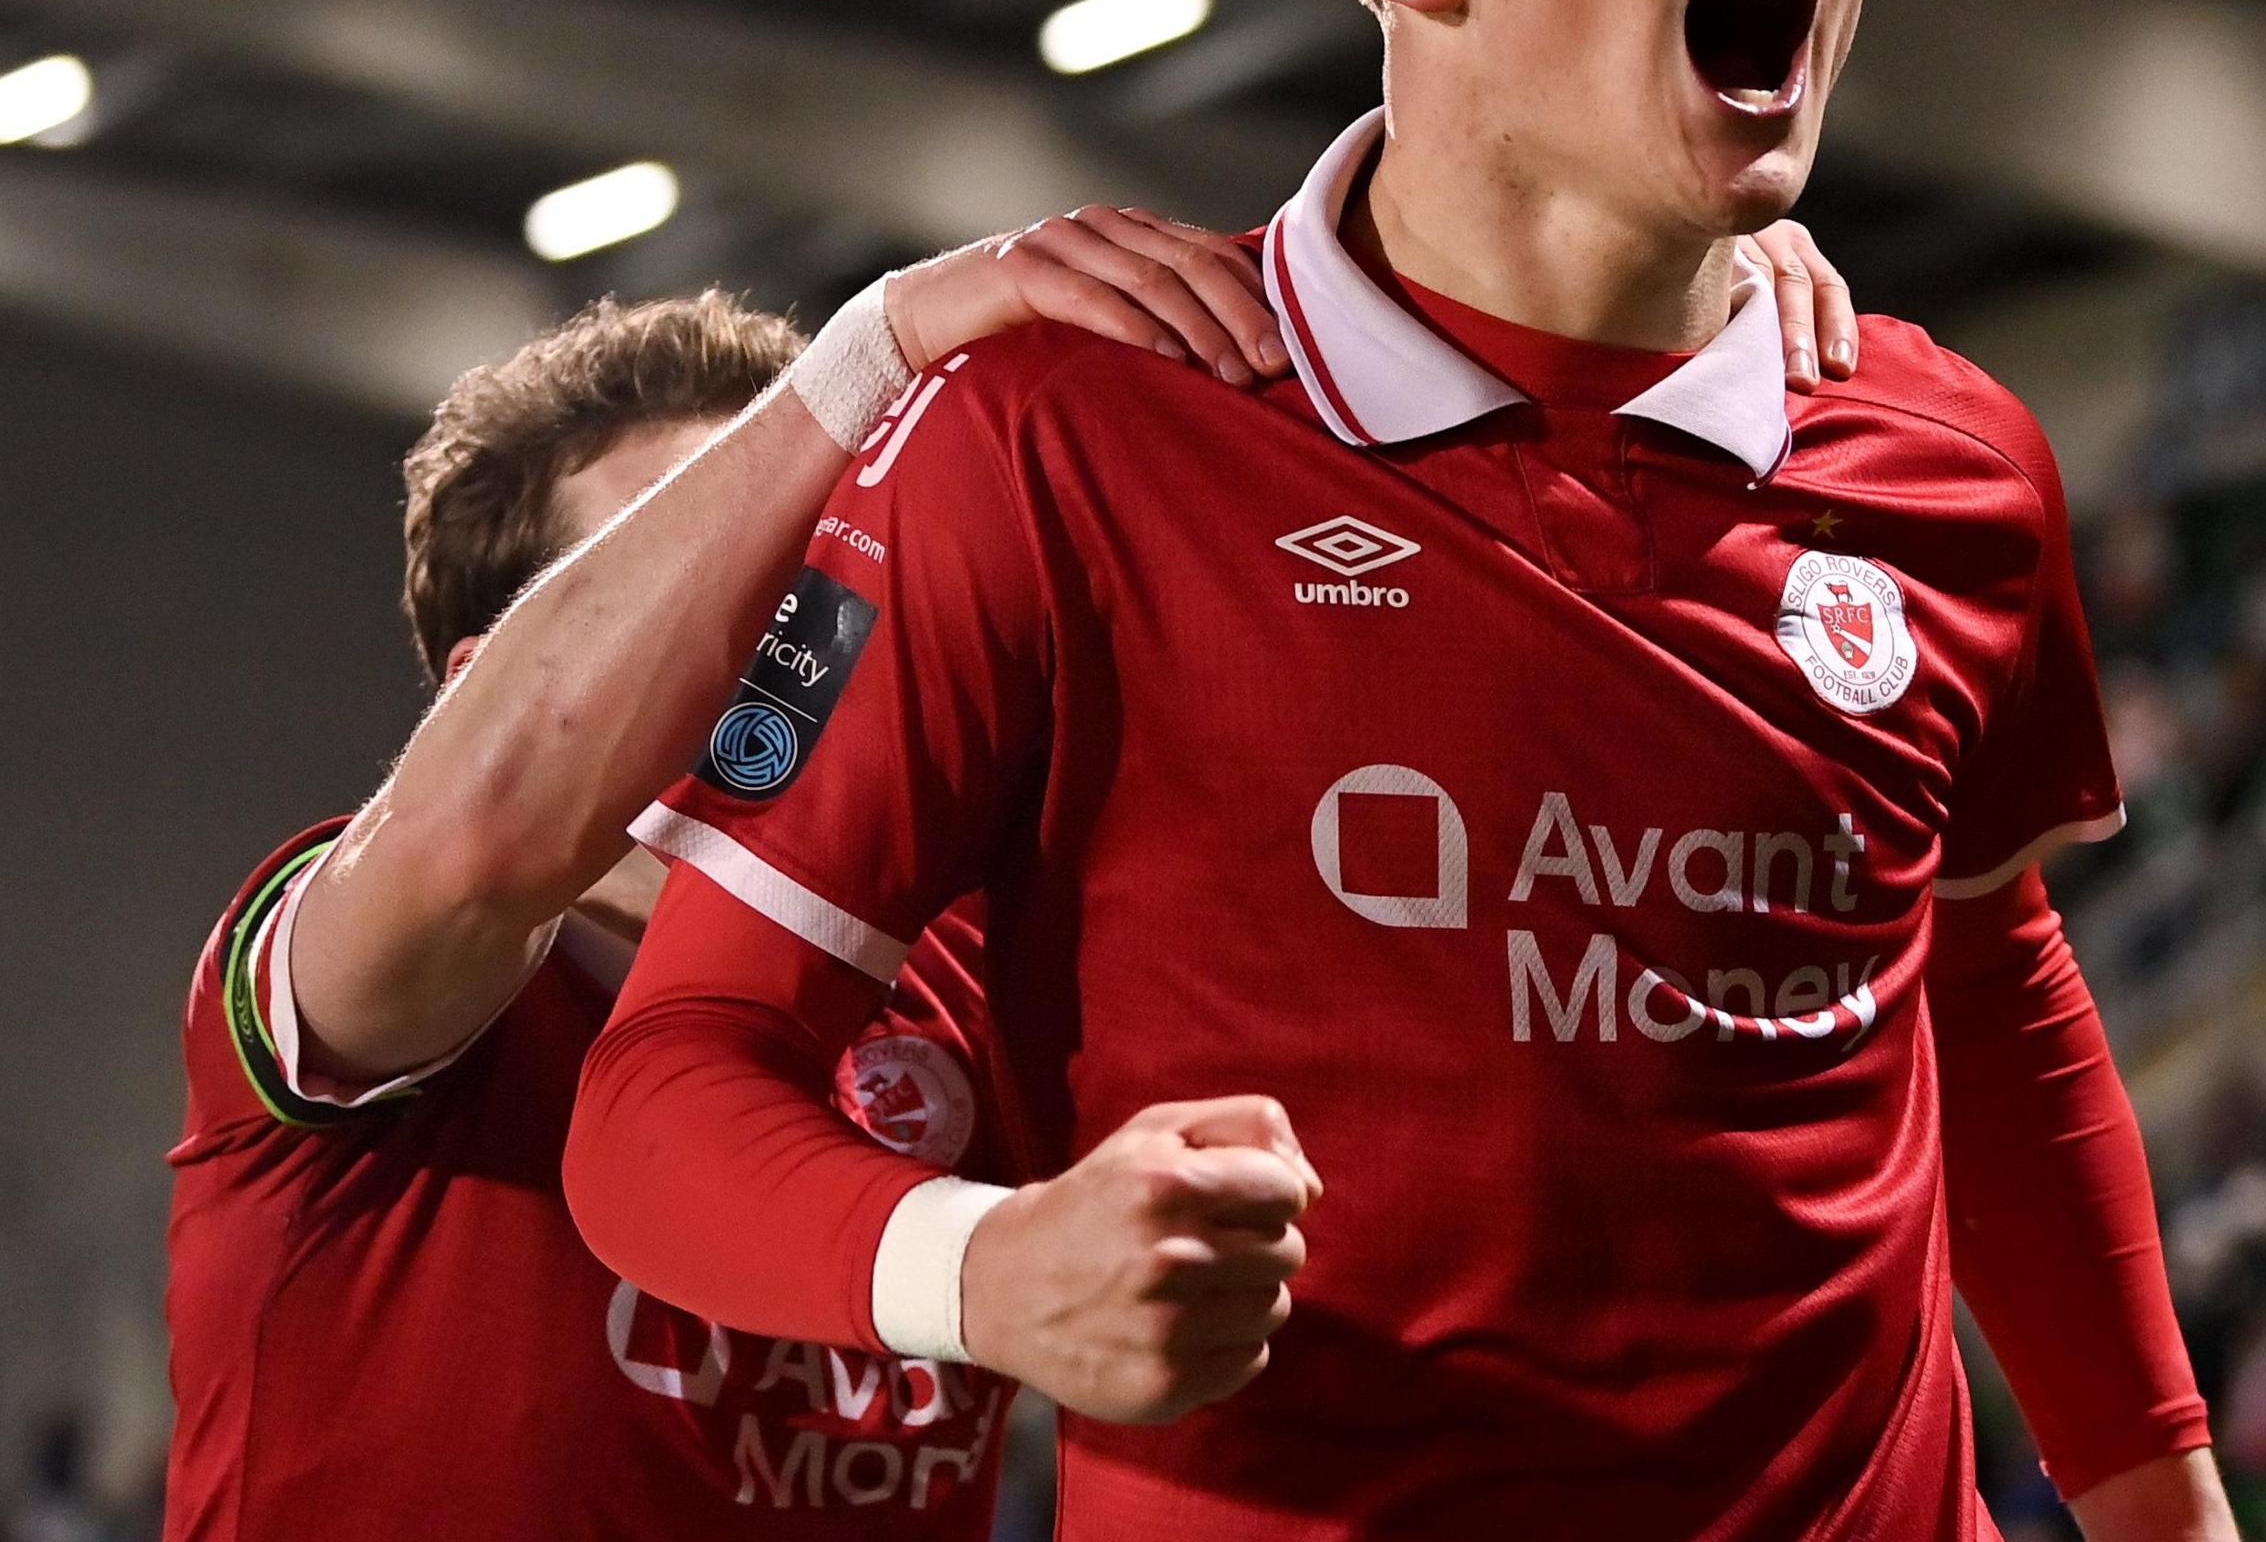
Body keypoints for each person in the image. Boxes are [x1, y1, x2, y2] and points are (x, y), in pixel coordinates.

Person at [565, 0, 2224, 1542]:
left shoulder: (1946, 456)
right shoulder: (1066, 439)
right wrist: (981, 1270)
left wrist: (2168, 1513)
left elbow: (1986, 989)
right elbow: (660, 1104)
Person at [164, 210, 1860, 1540]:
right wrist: (867, 359)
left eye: (820, 580)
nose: (801, 644)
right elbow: (481, 842)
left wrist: (1649, 322)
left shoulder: (988, 976)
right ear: (486, 674)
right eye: (733, 591)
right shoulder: (371, 983)